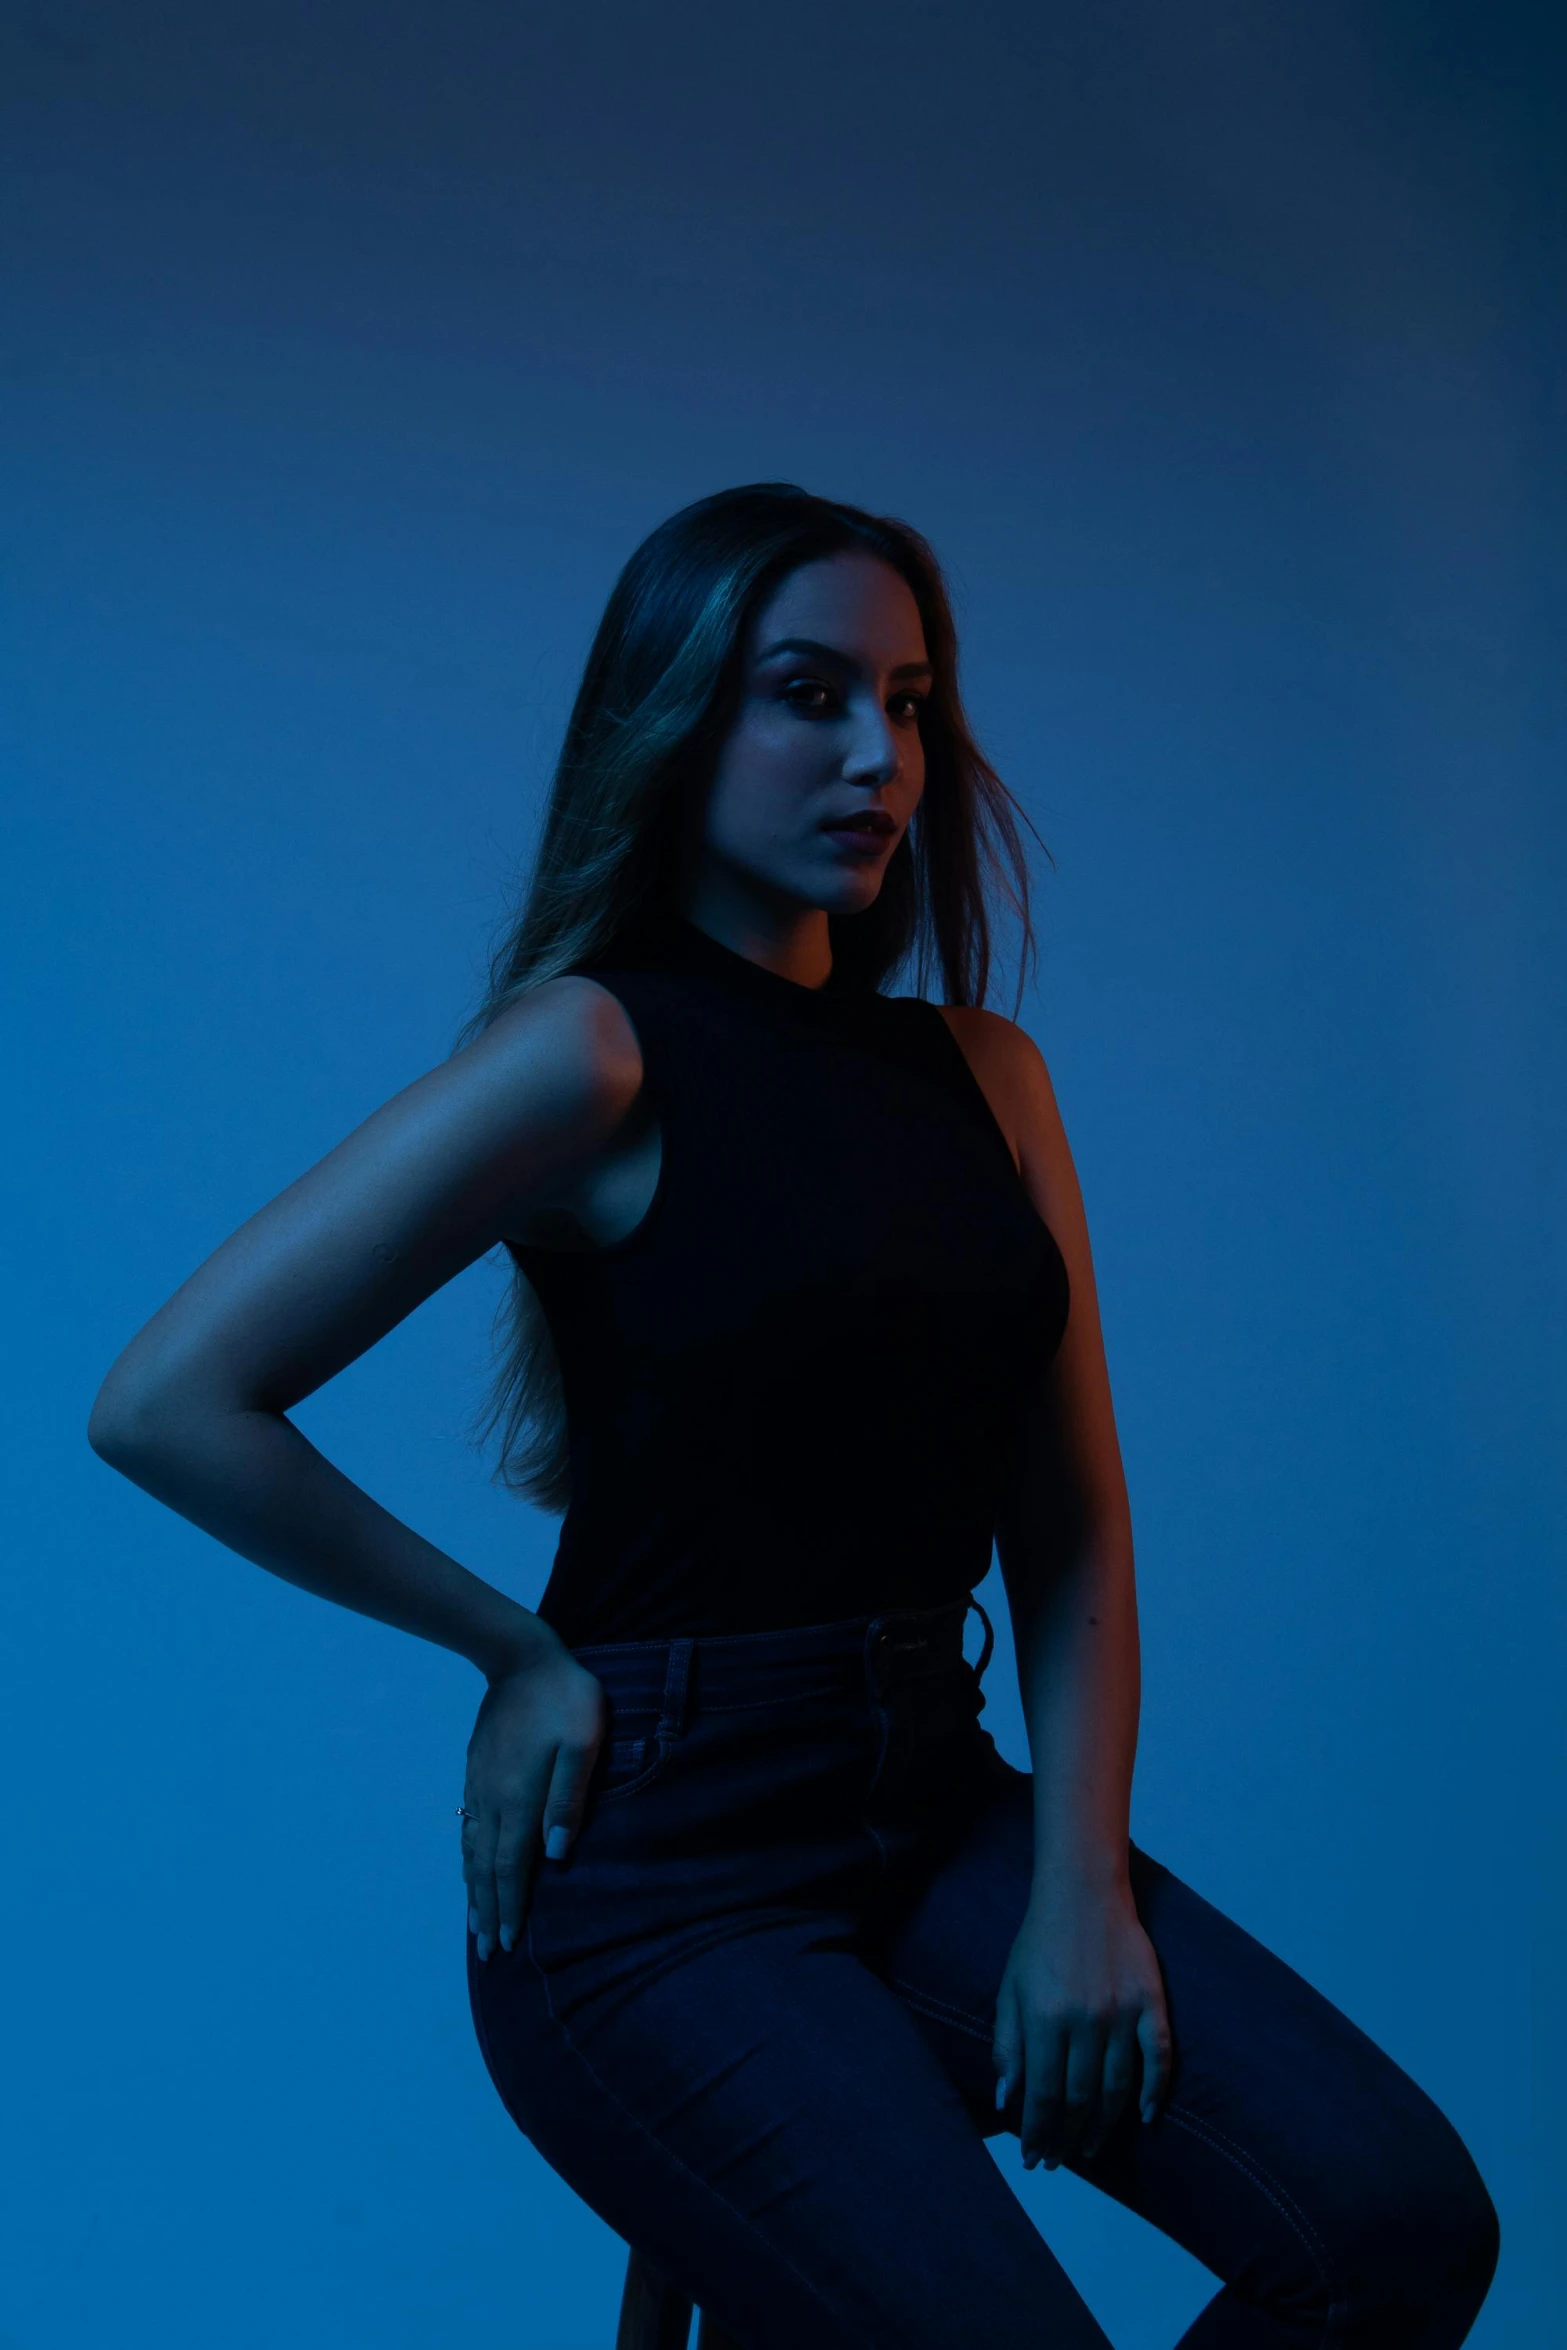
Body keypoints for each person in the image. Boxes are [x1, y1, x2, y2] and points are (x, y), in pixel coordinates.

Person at [89, 484, 1499, 2349]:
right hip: (661, 1875)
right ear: (677, 719)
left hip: (936, 1809)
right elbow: (169, 1398)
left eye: (908, 704)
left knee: (1393, 2221)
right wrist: (508, 1648)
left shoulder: (983, 1077)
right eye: (806, 694)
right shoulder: (589, 1053)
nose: (875, 757)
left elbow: (1070, 1528)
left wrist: (1080, 1889)